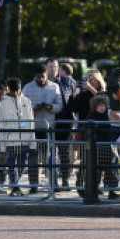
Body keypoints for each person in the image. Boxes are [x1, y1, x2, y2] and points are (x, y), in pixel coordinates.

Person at [22, 64, 63, 194]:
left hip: (48, 127)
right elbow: (22, 106)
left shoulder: (54, 87)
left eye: (43, 77)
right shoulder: (28, 88)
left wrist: (50, 107)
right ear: (35, 76)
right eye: (38, 77)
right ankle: (33, 185)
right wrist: (34, 109)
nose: (41, 79)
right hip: (33, 128)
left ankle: (53, 183)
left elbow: (60, 105)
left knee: (50, 157)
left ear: (47, 76)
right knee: (33, 158)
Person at [0, 77, 35, 196]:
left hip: (25, 138)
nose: (15, 93)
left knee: (22, 164)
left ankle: (15, 186)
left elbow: (31, 121)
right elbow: (1, 124)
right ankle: (15, 187)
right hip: (10, 139)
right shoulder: (2, 103)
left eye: (17, 90)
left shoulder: (26, 101)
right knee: (12, 163)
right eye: (13, 90)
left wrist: (32, 141)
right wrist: (2, 144)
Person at [53, 61, 77, 191]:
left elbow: (71, 102)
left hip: (66, 120)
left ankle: (65, 181)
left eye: (55, 67)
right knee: (55, 152)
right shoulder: (51, 82)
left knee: (63, 152)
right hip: (55, 120)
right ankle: (57, 182)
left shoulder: (68, 82)